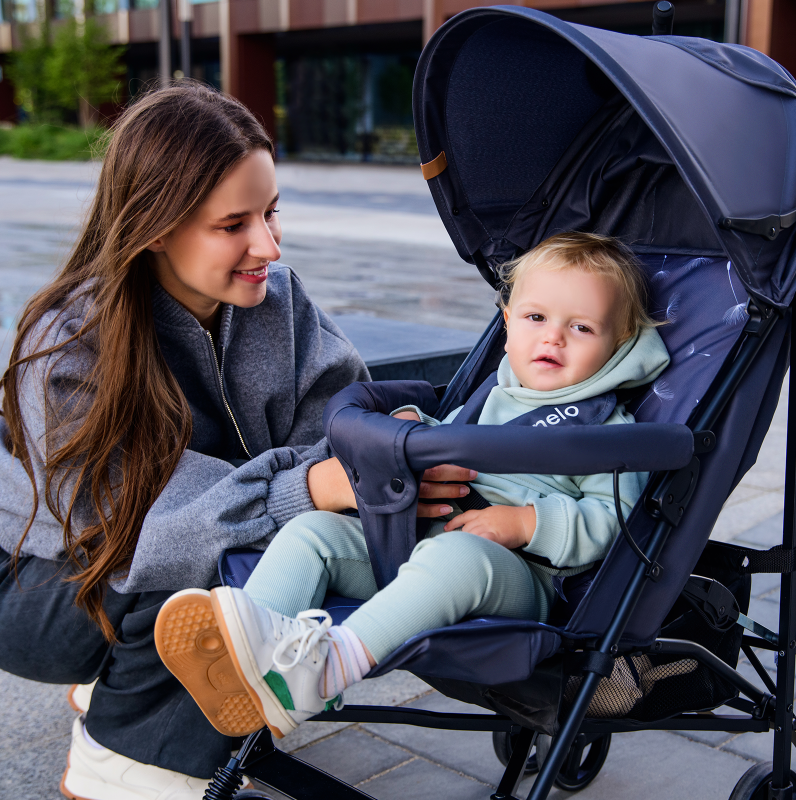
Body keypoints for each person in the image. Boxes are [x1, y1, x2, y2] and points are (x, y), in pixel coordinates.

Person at [0, 82, 469, 800]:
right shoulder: (66, 349)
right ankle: (121, 764)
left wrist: (383, 444)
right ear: (155, 226)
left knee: (260, 553)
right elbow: (143, 536)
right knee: (203, 588)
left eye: (271, 212)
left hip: (131, 561)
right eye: (234, 224)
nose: (268, 246)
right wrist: (308, 484)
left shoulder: (278, 304)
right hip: (40, 577)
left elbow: (340, 427)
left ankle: (137, 690)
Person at [155, 231, 671, 742]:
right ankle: (256, 651)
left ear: (619, 344)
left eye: (581, 327)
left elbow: (616, 520)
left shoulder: (610, 430)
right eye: (536, 318)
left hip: (515, 580)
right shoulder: (494, 395)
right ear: (508, 321)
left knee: (459, 557)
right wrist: (413, 426)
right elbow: (447, 433)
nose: (552, 337)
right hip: (414, 546)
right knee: (313, 530)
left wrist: (526, 523)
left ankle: (331, 665)